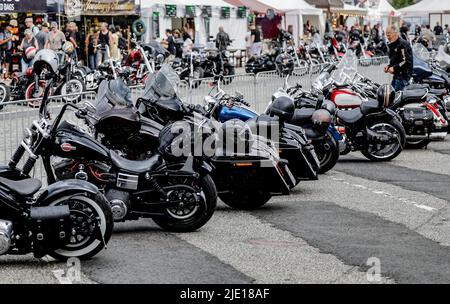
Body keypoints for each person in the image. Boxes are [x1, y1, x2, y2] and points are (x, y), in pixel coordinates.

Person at [384, 25, 413, 91]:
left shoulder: (402, 44)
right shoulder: (392, 44)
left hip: (402, 77)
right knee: (391, 96)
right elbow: (396, 60)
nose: (387, 36)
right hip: (397, 76)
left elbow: (406, 61)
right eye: (386, 34)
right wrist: (389, 66)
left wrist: (394, 68)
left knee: (396, 99)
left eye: (389, 34)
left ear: (395, 33)